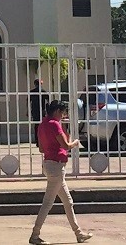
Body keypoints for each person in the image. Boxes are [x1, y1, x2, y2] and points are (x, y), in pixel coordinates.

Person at [30, 100, 92, 244]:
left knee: (68, 201)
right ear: (58, 111)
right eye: (63, 112)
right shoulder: (54, 124)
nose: (64, 115)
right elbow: (66, 145)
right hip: (56, 167)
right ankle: (35, 234)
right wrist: (75, 143)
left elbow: (41, 148)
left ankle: (78, 233)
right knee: (48, 203)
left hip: (50, 165)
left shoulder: (43, 124)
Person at [29, 79, 50, 146]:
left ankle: (37, 141)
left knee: (36, 126)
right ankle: (42, 140)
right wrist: (48, 110)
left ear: (35, 84)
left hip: (35, 111)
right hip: (42, 110)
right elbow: (48, 100)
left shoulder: (32, 92)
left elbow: (28, 102)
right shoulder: (43, 91)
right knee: (42, 126)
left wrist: (28, 111)